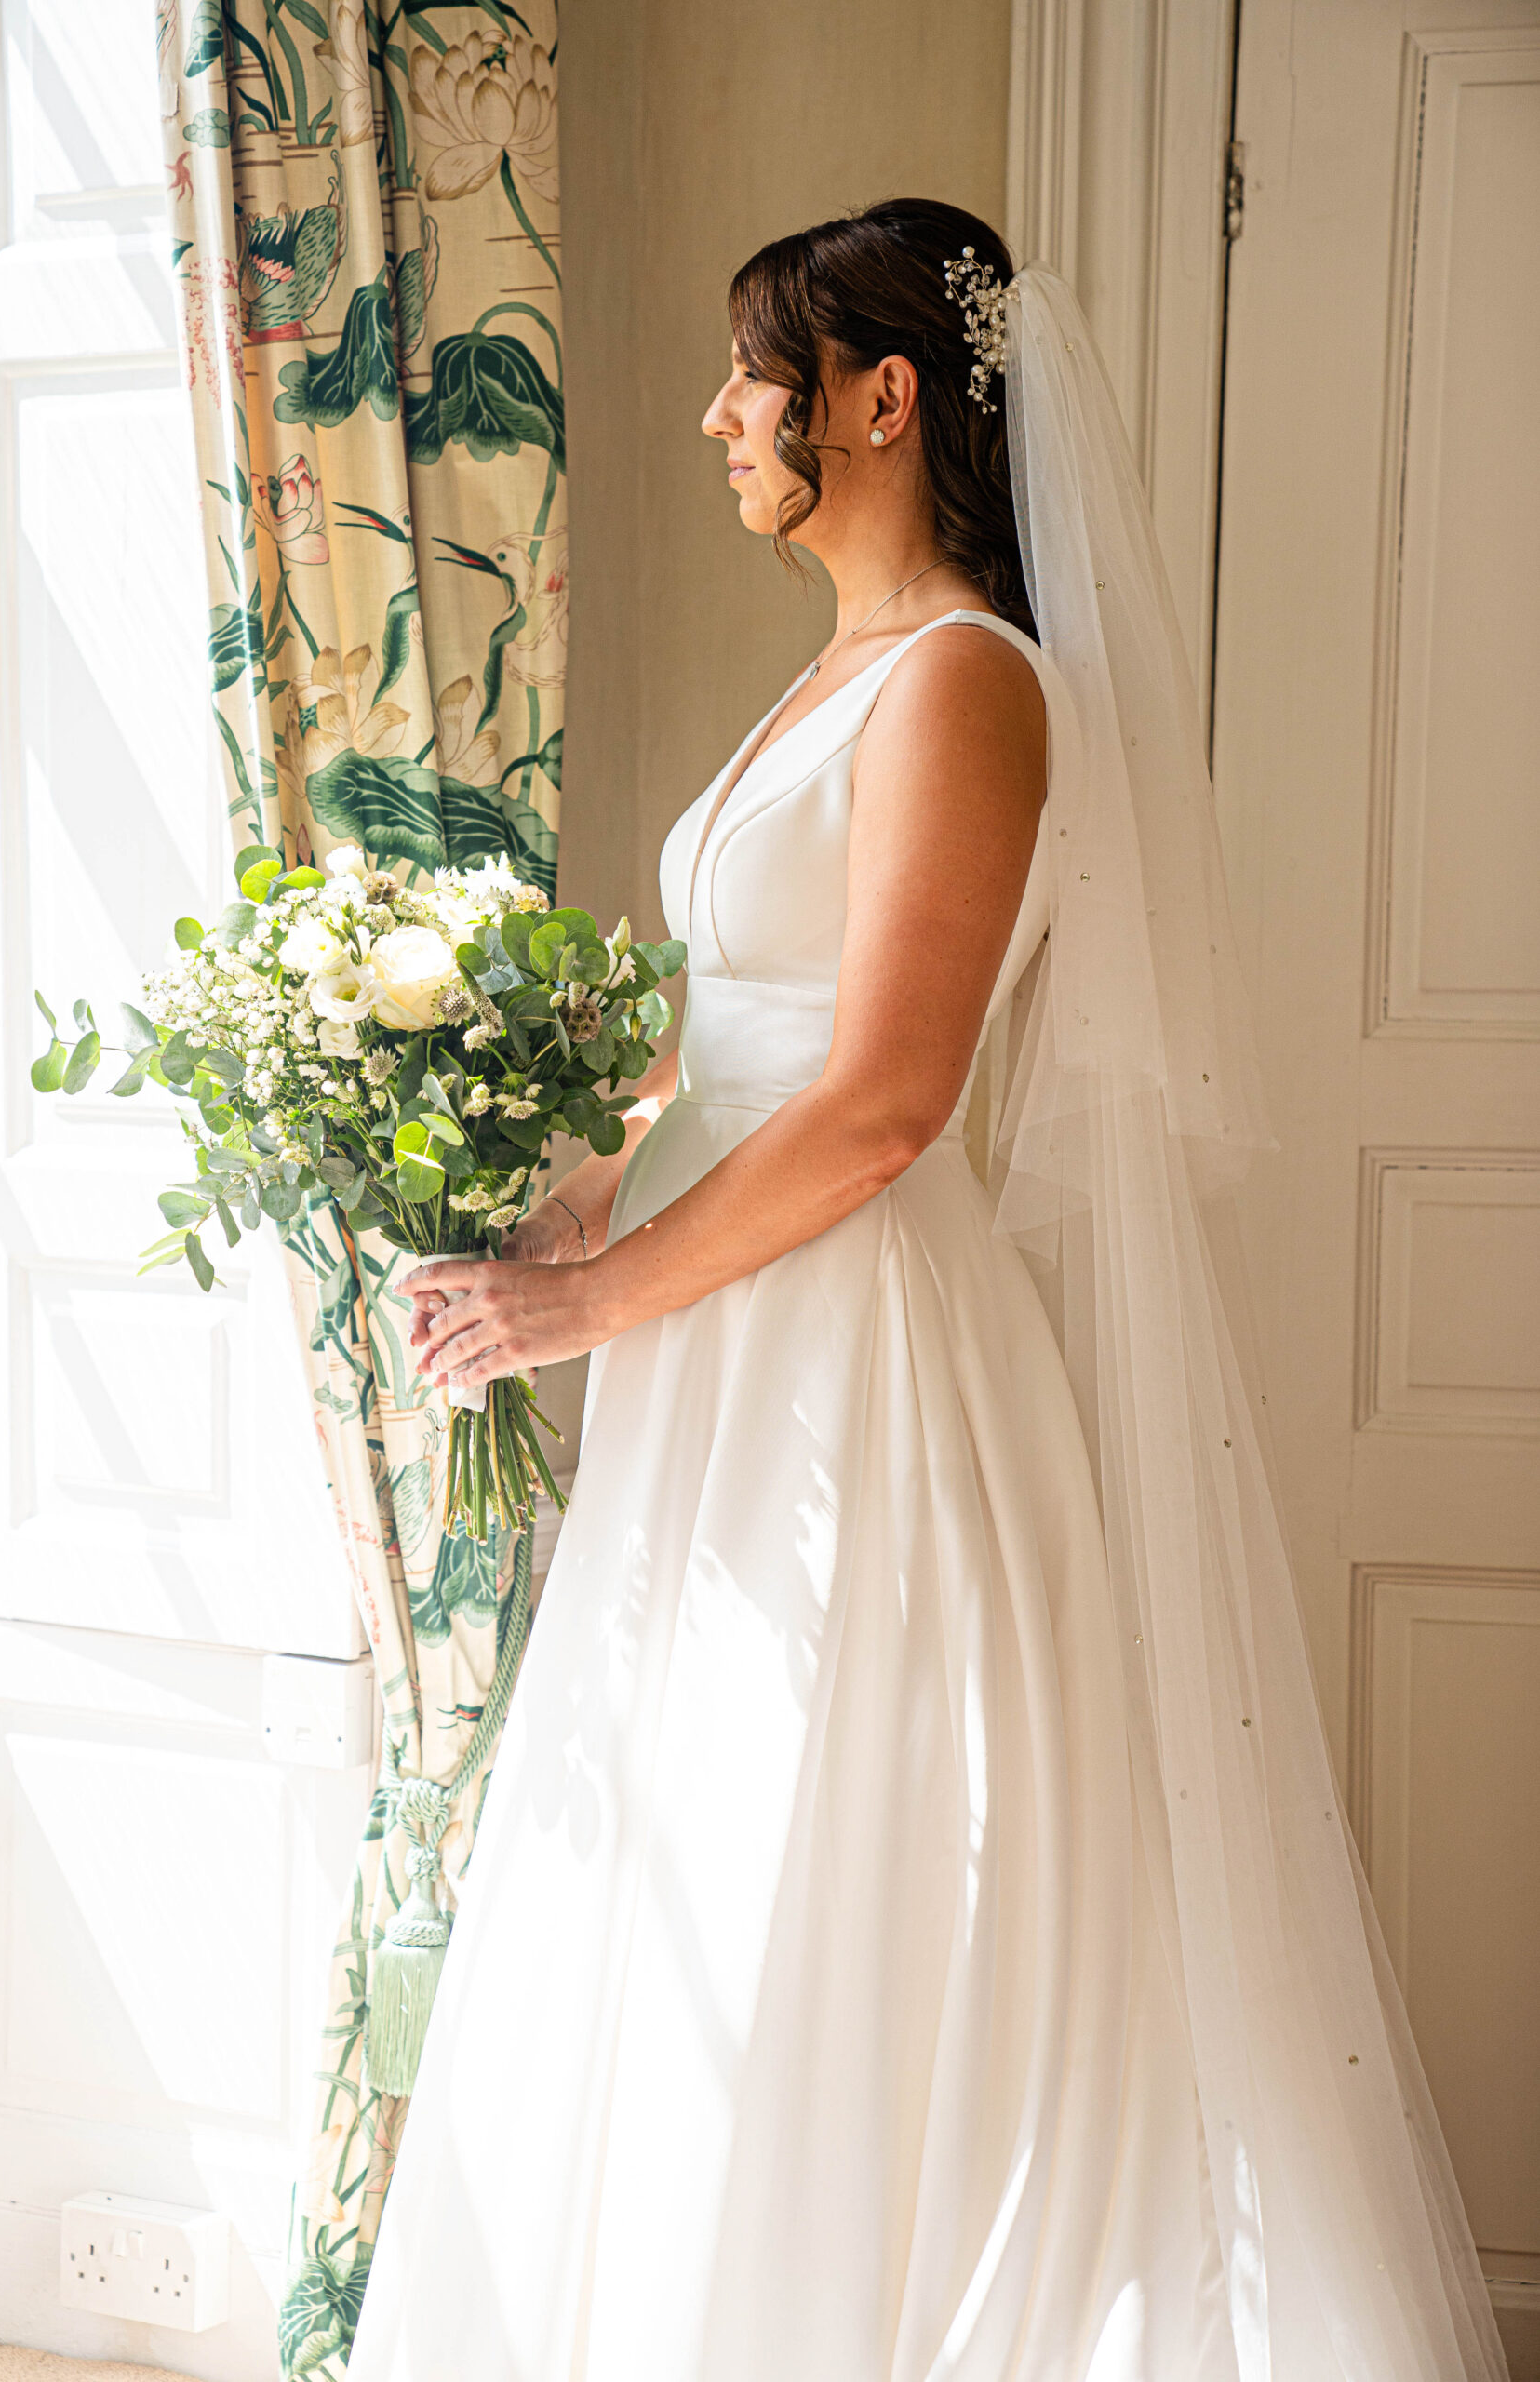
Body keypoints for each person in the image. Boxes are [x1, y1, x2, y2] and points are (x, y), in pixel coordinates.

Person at [345, 201, 1505, 2381]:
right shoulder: (834, 674)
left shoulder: (973, 682)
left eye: (748, 373)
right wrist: (581, 1199)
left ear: (879, 397)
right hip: (717, 1328)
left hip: (849, 1350)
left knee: (836, 1841)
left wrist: (598, 1316)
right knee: (683, 1829)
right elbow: (736, 1023)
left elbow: (883, 1096)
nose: (715, 414)